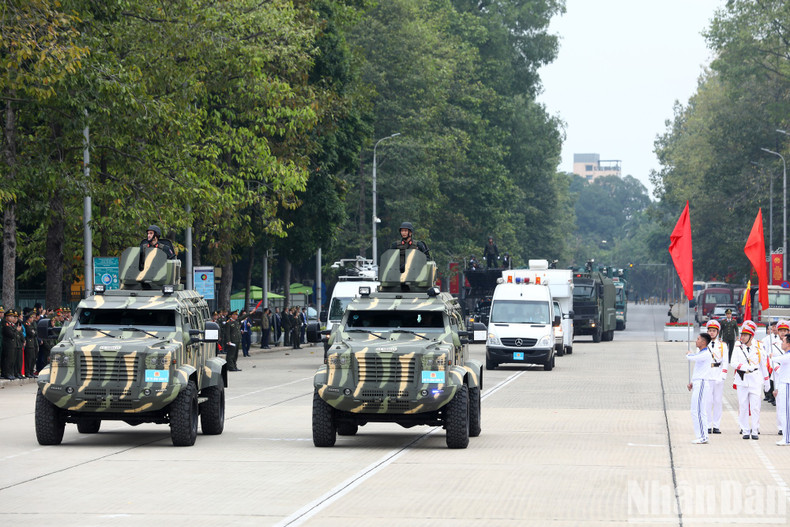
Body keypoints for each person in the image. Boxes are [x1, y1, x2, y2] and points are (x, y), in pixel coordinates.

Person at [731, 321, 770, 439]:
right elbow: (733, 362)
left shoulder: (758, 349)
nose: (742, 337)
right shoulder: (737, 348)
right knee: (743, 406)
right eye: (742, 335)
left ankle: (755, 430)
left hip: (755, 380)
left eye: (745, 335)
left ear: (751, 337)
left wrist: (767, 382)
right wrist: (745, 367)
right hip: (742, 380)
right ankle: (745, 430)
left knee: (755, 406)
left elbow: (763, 366)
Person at [687, 332, 713, 444]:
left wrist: (689, 354)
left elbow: (691, 357)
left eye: (698, 339)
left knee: (698, 410)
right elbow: (698, 370)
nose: (696, 341)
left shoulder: (706, 353)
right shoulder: (701, 353)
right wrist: (692, 382)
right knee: (696, 410)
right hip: (698, 382)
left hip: (702, 383)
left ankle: (703, 436)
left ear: (703, 342)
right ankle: (701, 435)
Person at [705, 320, 727, 434]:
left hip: (718, 374)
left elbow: (725, 361)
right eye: (710, 331)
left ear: (717, 332)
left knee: (718, 401)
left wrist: (723, 375)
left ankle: (716, 425)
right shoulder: (703, 344)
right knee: (708, 401)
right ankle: (708, 425)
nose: (711, 333)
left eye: (714, 331)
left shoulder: (723, 345)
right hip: (707, 375)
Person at [773, 332, 790, 445]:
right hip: (784, 384)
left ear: (788, 344)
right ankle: (786, 436)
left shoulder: (787, 356)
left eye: (783, 341)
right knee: (783, 412)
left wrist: (770, 356)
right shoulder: (785, 355)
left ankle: (787, 438)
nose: (781, 343)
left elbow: (777, 359)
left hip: (787, 385)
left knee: (786, 413)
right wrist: (777, 388)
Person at [762, 321, 779, 405]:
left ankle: (774, 397)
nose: (774, 328)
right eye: (773, 327)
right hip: (769, 360)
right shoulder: (768, 338)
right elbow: (765, 349)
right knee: (769, 378)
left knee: (775, 380)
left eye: (776, 326)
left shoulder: (781, 338)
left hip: (777, 360)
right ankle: (769, 395)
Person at [1, 309, 19, 380]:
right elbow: (11, 334)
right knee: (8, 360)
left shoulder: (11, 325)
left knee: (12, 360)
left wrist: (15, 331)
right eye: (10, 316)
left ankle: (11, 373)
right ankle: (7, 373)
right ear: (6, 317)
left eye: (12, 316)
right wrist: (16, 330)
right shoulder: (6, 324)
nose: (12, 318)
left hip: (13, 345)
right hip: (8, 345)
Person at [23, 309, 39, 378]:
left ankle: (31, 371)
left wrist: (34, 332)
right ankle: (27, 372)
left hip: (33, 343)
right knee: (28, 359)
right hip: (29, 344)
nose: (33, 319)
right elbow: (31, 333)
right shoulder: (26, 324)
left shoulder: (31, 324)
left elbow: (35, 332)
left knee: (33, 358)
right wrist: (34, 332)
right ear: (29, 318)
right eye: (31, 317)